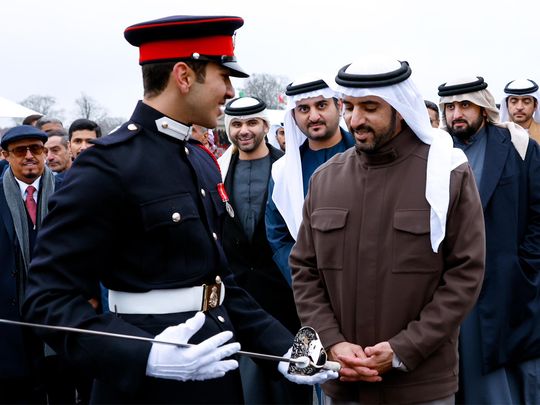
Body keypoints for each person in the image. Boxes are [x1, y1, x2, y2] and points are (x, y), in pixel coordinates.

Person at [22, 15, 335, 403]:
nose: (230, 91)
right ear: (184, 76)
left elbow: (219, 284)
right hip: (144, 389)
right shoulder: (107, 166)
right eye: (223, 76)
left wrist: (284, 349)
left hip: (219, 377)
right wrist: (143, 355)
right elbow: (46, 299)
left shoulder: (200, 160)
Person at [290, 56, 486, 404]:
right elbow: (304, 270)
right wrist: (333, 343)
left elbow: (465, 273)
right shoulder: (325, 180)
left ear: (400, 109)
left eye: (369, 107)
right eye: (349, 106)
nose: (355, 119)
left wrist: (402, 349)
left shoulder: (448, 174)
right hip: (343, 380)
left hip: (420, 385)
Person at [438, 76, 540, 404]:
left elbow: (538, 211)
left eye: (465, 105)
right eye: (450, 107)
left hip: (505, 280)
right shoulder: (435, 151)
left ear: (484, 107)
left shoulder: (517, 145)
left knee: (500, 375)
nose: (457, 114)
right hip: (448, 282)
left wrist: (525, 265)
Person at [218, 96, 310, 404]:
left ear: (265, 126)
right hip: (238, 296)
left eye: (251, 123)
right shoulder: (217, 170)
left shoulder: (288, 169)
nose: (244, 131)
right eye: (237, 124)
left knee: (291, 383)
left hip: (286, 293)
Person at [266, 75, 355, 286]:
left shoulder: (368, 155)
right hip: (311, 290)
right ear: (294, 116)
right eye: (304, 109)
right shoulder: (282, 171)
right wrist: (306, 282)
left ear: (339, 106)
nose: (314, 116)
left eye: (321, 105)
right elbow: (278, 236)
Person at [0, 125, 63, 403]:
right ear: (5, 155)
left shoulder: (67, 191)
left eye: (36, 149)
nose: (29, 156)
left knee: (63, 389)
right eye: (19, 150)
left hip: (60, 317)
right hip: (11, 321)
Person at [499, 78, 540, 143]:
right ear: (506, 105)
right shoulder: (496, 135)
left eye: (526, 102)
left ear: (535, 105)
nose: (519, 107)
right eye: (514, 101)